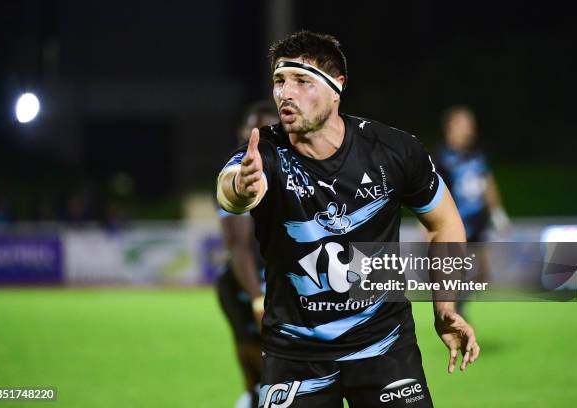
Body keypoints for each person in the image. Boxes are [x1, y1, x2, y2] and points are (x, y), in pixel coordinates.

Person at [216, 31, 480, 407]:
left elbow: (446, 223)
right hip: (295, 356)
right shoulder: (263, 155)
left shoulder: (394, 150)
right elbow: (229, 190)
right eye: (279, 80)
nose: (284, 93)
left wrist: (445, 307)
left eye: (301, 81)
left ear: (336, 85)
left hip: (385, 347)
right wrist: (241, 187)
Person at [216, 101, 278, 408]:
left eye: (268, 130)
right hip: (245, 284)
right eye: (254, 130)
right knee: (254, 350)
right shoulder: (239, 175)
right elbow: (239, 246)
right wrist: (256, 298)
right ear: (243, 133)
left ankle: (257, 394)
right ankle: (254, 394)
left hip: (278, 282)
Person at [436, 106, 509, 242]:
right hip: (455, 226)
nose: (469, 129)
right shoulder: (441, 159)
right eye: (465, 124)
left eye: (471, 124)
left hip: (478, 224)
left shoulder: (477, 155)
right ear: (450, 127)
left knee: (482, 261)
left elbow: (487, 183)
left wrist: (497, 213)